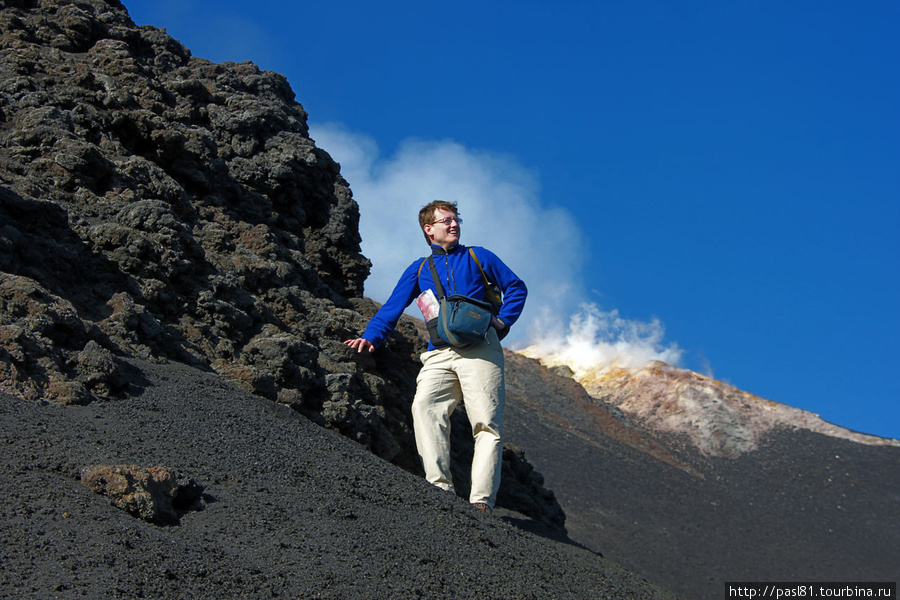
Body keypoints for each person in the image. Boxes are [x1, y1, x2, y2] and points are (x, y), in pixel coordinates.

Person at [344, 200, 527, 513]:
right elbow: (392, 307)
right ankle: (438, 490)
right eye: (446, 221)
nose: (454, 225)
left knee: (486, 424)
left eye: (456, 220)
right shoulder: (419, 269)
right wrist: (370, 338)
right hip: (438, 354)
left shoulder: (478, 256)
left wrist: (503, 320)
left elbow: (516, 287)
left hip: (481, 349)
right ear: (429, 229)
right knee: (424, 407)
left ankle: (481, 502)